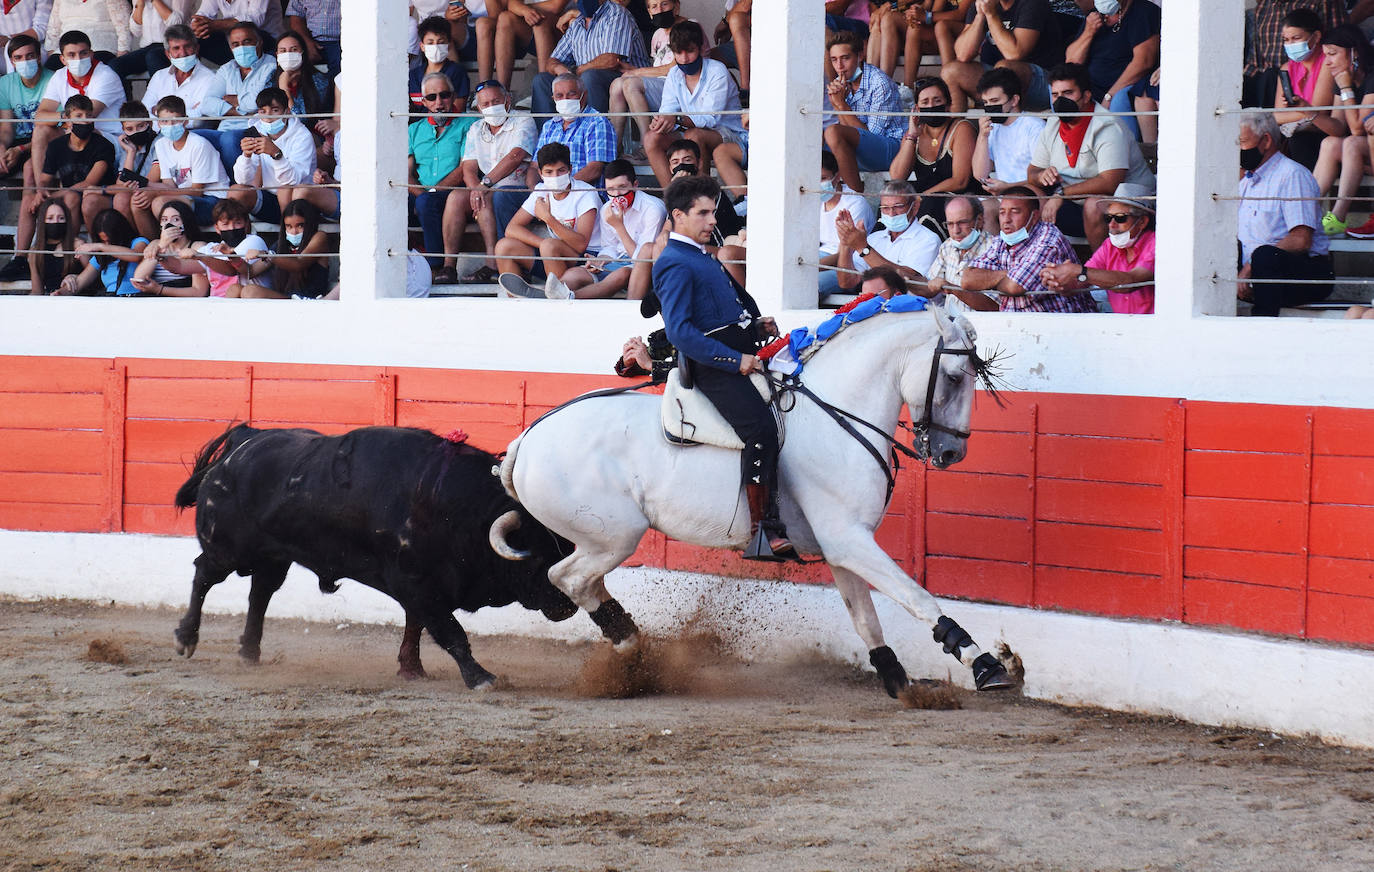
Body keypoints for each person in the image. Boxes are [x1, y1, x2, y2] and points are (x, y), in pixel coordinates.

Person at [653, 174, 795, 561]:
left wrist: (755, 326)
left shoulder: (698, 254)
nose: (712, 221)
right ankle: (762, 530)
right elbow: (681, 332)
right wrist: (734, 360)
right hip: (714, 366)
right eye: (702, 213)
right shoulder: (674, 263)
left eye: (713, 212)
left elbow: (721, 309)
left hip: (739, 351)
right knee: (761, 430)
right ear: (678, 216)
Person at [1025, 62, 1154, 248]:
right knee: (1026, 198)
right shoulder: (1053, 123)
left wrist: (1061, 194)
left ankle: (1099, 268)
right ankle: (1036, 263)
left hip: (1128, 204)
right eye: (1055, 95)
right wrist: (1041, 176)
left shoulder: (1107, 126)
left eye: (1068, 93)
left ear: (1086, 96)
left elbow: (1110, 183)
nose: (1061, 100)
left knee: (1093, 205)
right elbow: (1032, 172)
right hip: (1073, 201)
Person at [1236, 112, 1333, 316]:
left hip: (1307, 272)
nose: (1238, 150)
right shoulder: (1246, 181)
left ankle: (1262, 321)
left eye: (1242, 142)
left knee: (1263, 255)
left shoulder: (1292, 175)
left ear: (1266, 140)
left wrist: (1251, 265)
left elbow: (1301, 240)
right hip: (1260, 273)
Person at [956, 184, 1096, 312]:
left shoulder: (1048, 237)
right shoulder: (1002, 240)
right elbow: (968, 279)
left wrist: (990, 281)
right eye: (1002, 212)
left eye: (1015, 212)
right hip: (1020, 325)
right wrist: (1012, 273)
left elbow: (1015, 286)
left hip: (1062, 326)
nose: (1006, 219)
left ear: (1034, 216)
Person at [448, 79, 535, 283]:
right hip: (488, 186)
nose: (491, 107)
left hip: (517, 186)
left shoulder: (523, 120)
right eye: (485, 104)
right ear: (478, 108)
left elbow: (516, 156)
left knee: (493, 195)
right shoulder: (476, 128)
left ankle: (494, 263)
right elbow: (468, 167)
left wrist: (483, 185)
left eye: (496, 100)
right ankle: (448, 266)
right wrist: (476, 190)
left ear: (508, 100)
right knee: (454, 198)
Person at [545, 157, 665, 299]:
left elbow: (643, 258)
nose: (616, 195)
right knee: (573, 275)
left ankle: (570, 298)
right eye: (611, 189)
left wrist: (619, 227)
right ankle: (551, 296)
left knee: (621, 273)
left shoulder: (653, 209)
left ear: (635, 185)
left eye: (622, 187)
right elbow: (610, 246)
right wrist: (601, 259)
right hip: (616, 261)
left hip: (639, 268)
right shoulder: (607, 209)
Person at [642, 20, 743, 186]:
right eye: (678, 53)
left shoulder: (717, 71)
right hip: (690, 130)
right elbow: (668, 109)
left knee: (694, 135)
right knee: (651, 138)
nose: (684, 59)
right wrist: (661, 122)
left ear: (701, 48)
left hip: (729, 134)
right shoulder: (674, 73)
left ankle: (700, 195)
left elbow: (710, 119)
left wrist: (675, 119)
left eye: (689, 51)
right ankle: (672, 198)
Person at [495, 141, 601, 297]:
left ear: (570, 169)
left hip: (587, 259)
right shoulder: (541, 190)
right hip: (554, 254)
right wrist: (543, 244)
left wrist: (547, 218)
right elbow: (512, 229)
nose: (555, 177)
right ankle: (517, 304)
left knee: (550, 246)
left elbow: (580, 245)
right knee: (504, 246)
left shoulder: (585, 193)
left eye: (561, 171)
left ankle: (556, 298)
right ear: (540, 173)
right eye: (549, 172)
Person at [1040, 180, 1154, 313]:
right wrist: (1058, 281)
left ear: (1142, 222)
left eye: (1120, 218)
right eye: (1108, 218)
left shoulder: (1156, 244)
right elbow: (1082, 281)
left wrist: (1077, 271)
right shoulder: (1109, 246)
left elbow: (1129, 282)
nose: (1111, 224)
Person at [31, 30, 126, 183]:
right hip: (75, 132)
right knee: (40, 132)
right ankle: (41, 192)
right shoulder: (59, 76)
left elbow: (86, 117)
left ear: (92, 54)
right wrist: (65, 117)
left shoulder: (106, 75)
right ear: (62, 59)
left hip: (107, 137)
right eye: (71, 55)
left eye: (83, 53)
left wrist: (67, 119)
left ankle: (58, 195)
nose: (78, 59)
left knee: (77, 127)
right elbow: (39, 117)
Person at [821, 28, 905, 193]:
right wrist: (838, 105)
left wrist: (842, 106)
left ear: (860, 56)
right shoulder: (841, 83)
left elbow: (872, 135)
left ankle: (856, 197)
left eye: (845, 58)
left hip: (892, 149)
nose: (839, 66)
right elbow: (849, 132)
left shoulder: (879, 83)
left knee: (832, 132)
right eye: (834, 60)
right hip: (863, 148)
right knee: (812, 141)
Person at [407, 72, 476, 273]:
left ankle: (435, 267)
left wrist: (431, 194)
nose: (439, 102)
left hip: (455, 193)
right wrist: (423, 195)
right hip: (420, 194)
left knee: (426, 203)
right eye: (432, 97)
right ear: (424, 101)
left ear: (454, 97)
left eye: (444, 95)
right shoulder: (414, 129)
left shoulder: (469, 125)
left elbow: (465, 167)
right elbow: (406, 172)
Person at [530, 0, 648, 116]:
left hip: (627, 78)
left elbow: (611, 60)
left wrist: (576, 71)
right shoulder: (577, 23)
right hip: (584, 78)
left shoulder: (616, 13)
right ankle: (548, 134)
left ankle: (593, 130)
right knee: (542, 80)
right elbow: (552, 60)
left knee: (590, 76)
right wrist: (558, 68)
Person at [942, 0, 1064, 112]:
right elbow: (963, 55)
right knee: (951, 71)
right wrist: (980, 16)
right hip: (999, 79)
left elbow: (1015, 53)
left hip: (1047, 83)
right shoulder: (983, 4)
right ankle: (957, 130)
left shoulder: (1032, 3)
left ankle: (1012, 125)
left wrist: (991, 15)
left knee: (1005, 69)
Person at [1062, 0, 1159, 138]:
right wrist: (1089, 32)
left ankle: (1126, 153)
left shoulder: (1143, 11)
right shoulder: (1096, 15)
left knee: (1118, 100)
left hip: (1125, 86)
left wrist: (1109, 96)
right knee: (1061, 89)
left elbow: (1143, 62)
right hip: (1092, 87)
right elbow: (1071, 62)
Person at [135, 94, 231, 235]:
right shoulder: (161, 144)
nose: (169, 126)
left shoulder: (199, 145)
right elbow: (169, 185)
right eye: (164, 122)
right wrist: (143, 186)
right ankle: (154, 246)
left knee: (160, 202)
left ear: (185, 121)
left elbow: (197, 191)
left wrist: (157, 193)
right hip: (182, 196)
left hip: (212, 200)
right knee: (138, 201)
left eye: (175, 121)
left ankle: (175, 245)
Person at [607, 0, 696, 149]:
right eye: (654, 6)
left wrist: (636, 72)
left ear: (676, 6)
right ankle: (614, 145)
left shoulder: (689, 27)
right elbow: (659, 68)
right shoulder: (657, 34)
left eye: (664, 4)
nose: (660, 10)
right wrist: (631, 69)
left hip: (681, 88)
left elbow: (674, 68)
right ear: (649, 12)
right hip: (661, 89)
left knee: (631, 83)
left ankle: (646, 144)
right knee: (617, 84)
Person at [830, 180, 941, 296]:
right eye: (885, 208)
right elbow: (847, 282)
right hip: (876, 307)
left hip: (912, 310)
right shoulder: (874, 239)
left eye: (898, 207)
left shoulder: (928, 240)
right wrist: (845, 242)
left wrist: (863, 248)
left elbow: (904, 279)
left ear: (915, 207)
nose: (891, 214)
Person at [0, 34, 52, 281]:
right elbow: (7, 127)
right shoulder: (6, 83)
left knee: (31, 169)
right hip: (20, 143)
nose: (25, 61)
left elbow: (55, 128)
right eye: (18, 58)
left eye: (30, 56)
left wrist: (20, 150)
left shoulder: (53, 79)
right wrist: (2, 147)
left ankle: (21, 256)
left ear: (39, 57)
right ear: (11, 61)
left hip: (47, 142)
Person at [889, 76, 977, 222]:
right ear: (917, 108)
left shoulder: (962, 128)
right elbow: (897, 177)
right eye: (925, 102)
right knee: (893, 201)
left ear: (948, 105)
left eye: (937, 101)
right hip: (925, 198)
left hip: (956, 199)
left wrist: (924, 196)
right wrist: (912, 135)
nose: (931, 106)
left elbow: (960, 181)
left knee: (928, 205)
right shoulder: (914, 133)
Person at [197, 22, 278, 173]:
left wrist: (234, 100)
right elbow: (207, 104)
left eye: (247, 42)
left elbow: (258, 101)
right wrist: (243, 111)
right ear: (230, 48)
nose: (241, 47)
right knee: (194, 137)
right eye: (236, 44)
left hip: (255, 129)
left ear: (259, 42)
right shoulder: (227, 69)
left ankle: (238, 188)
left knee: (229, 140)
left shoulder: (271, 65)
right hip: (225, 129)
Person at [152, 196, 272, 297]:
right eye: (225, 224)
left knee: (236, 290)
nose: (232, 228)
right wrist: (161, 255)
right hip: (216, 306)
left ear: (246, 225)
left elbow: (231, 269)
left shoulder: (253, 241)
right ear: (217, 228)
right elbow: (178, 267)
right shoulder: (209, 248)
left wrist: (201, 257)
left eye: (238, 223)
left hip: (252, 301)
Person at [228, 87, 315, 223]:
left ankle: (287, 235)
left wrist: (276, 154)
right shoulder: (256, 131)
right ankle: (241, 237)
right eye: (263, 111)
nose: (268, 117)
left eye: (275, 110)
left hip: (297, 202)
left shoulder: (302, 136)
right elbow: (243, 181)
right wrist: (246, 156)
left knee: (284, 190)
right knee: (236, 192)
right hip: (269, 198)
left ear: (286, 111)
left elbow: (293, 181)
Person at [1319, 26, 1374, 238]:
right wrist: (1309, 112)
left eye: (1333, 54)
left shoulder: (1370, 76)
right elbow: (1338, 125)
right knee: (1330, 143)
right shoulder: (1342, 79)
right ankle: (1307, 209)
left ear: (1354, 52)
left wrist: (1346, 89)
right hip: (1362, 147)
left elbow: (1357, 128)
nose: (1327, 62)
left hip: (1367, 143)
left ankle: (1338, 217)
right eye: (1325, 56)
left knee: (1350, 142)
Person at [34, 94, 114, 237]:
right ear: (67, 120)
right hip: (70, 195)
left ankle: (74, 248)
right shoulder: (56, 145)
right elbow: (45, 178)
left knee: (72, 197)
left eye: (88, 116)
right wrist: (41, 191)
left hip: (98, 196)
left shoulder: (104, 146)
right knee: (30, 200)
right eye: (78, 116)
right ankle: (23, 255)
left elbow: (89, 184)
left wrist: (55, 195)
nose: (85, 120)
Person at [1244, 0, 1346, 108]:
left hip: (1316, 70)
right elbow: (1255, 57)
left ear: (1316, 36)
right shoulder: (1264, 6)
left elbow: (1339, 41)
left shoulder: (1322, 2)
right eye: (1285, 39)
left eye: (1296, 38)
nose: (1290, 44)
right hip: (1275, 80)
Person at [868, 0, 974, 95]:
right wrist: (915, 15)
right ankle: (893, 88)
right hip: (937, 31)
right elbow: (934, 11)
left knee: (939, 27)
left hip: (963, 35)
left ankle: (949, 90)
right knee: (891, 19)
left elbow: (961, 14)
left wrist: (926, 16)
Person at [973, 66, 1045, 194]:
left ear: (1014, 100)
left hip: (1031, 194)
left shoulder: (1034, 126)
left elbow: (1041, 176)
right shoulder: (991, 127)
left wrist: (1009, 186)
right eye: (986, 102)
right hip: (1002, 195)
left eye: (995, 101)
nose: (990, 107)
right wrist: (982, 136)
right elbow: (980, 175)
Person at [238, 199, 332, 298]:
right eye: (289, 226)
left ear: (310, 223)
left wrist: (267, 255)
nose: (294, 231)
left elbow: (298, 264)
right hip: (287, 299)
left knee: (250, 292)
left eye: (300, 225)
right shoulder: (280, 245)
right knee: (236, 289)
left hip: (310, 300)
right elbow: (251, 271)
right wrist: (233, 257)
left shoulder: (319, 237)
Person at [532, 73, 614, 184]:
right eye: (559, 96)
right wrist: (537, 192)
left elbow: (594, 169)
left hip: (583, 194)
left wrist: (563, 190)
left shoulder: (597, 123)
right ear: (553, 99)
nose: (565, 99)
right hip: (551, 195)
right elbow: (534, 167)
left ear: (583, 96)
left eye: (571, 94)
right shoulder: (549, 126)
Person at [85, 99, 153, 233]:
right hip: (134, 192)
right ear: (123, 129)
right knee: (114, 198)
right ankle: (128, 244)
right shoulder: (128, 147)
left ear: (149, 123)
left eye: (140, 126)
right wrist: (131, 152)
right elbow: (122, 183)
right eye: (129, 129)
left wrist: (103, 189)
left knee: (122, 198)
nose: (136, 132)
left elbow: (148, 183)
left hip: (151, 192)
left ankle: (140, 244)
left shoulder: (158, 143)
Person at [52, 207, 148, 295]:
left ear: (120, 233)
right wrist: (60, 293)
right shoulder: (102, 254)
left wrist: (101, 246)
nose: (107, 244)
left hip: (136, 300)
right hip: (111, 301)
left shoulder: (138, 242)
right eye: (103, 241)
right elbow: (80, 282)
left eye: (110, 240)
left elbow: (136, 256)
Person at [924, 194, 995, 307]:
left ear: (980, 220)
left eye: (962, 223)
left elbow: (994, 307)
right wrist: (902, 276)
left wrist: (952, 289)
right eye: (950, 224)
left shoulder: (996, 250)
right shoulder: (948, 246)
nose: (956, 231)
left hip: (980, 323)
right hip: (950, 322)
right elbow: (930, 287)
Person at [141, 25, 218, 129]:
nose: (183, 53)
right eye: (176, 48)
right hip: (157, 135)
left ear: (196, 49)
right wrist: (186, 114)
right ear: (168, 54)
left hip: (191, 136)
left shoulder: (210, 79)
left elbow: (199, 120)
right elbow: (144, 112)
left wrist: (158, 112)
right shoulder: (159, 76)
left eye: (187, 47)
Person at [129, 198, 210, 295]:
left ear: (186, 222)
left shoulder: (197, 246)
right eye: (164, 220)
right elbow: (139, 278)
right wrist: (161, 246)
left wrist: (160, 289)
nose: (168, 224)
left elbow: (199, 292)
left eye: (176, 219)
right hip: (155, 298)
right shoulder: (156, 244)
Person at [817, 150, 875, 284]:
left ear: (837, 177)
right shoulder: (814, 200)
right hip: (820, 257)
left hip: (850, 261)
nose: (818, 184)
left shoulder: (854, 203)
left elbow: (850, 249)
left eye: (823, 178)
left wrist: (815, 266)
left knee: (811, 284)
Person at [495, 0, 569, 90]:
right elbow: (512, 4)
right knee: (505, 18)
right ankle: (501, 92)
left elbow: (556, 6)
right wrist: (524, 10)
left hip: (566, 31)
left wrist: (527, 8)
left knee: (540, 21)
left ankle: (543, 89)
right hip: (537, 31)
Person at [112, 0, 197, 80]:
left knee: (153, 57)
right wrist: (140, 4)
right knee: (115, 65)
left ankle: (164, 94)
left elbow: (177, 24)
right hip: (147, 47)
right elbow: (136, 31)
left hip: (174, 47)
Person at [408, 15, 471, 119]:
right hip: (417, 132)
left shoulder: (457, 73)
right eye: (430, 42)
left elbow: (457, 111)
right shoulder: (413, 76)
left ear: (449, 44)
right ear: (422, 46)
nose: (436, 46)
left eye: (441, 42)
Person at [189, 0, 286, 66]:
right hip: (234, 44)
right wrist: (198, 26)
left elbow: (255, 20)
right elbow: (201, 15)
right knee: (197, 38)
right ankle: (232, 72)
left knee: (246, 32)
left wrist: (215, 24)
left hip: (267, 42)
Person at [43, 0, 132, 63]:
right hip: (67, 49)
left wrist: (122, 55)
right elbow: (53, 27)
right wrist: (51, 51)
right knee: (52, 67)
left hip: (100, 48)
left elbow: (124, 27)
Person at [274, 29, 329, 121]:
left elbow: (301, 120)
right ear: (277, 55)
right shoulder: (271, 78)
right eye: (283, 51)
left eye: (294, 50)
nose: (288, 54)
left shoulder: (318, 80)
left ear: (302, 53)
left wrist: (284, 89)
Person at [27, 197, 77, 294]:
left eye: (61, 218)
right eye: (50, 218)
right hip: (51, 302)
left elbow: (93, 276)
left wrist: (76, 277)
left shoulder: (78, 246)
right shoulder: (35, 252)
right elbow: (37, 292)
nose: (56, 221)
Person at [285, 0, 341, 81]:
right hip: (309, 39)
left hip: (340, 41)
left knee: (339, 75)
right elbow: (295, 18)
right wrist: (306, 42)